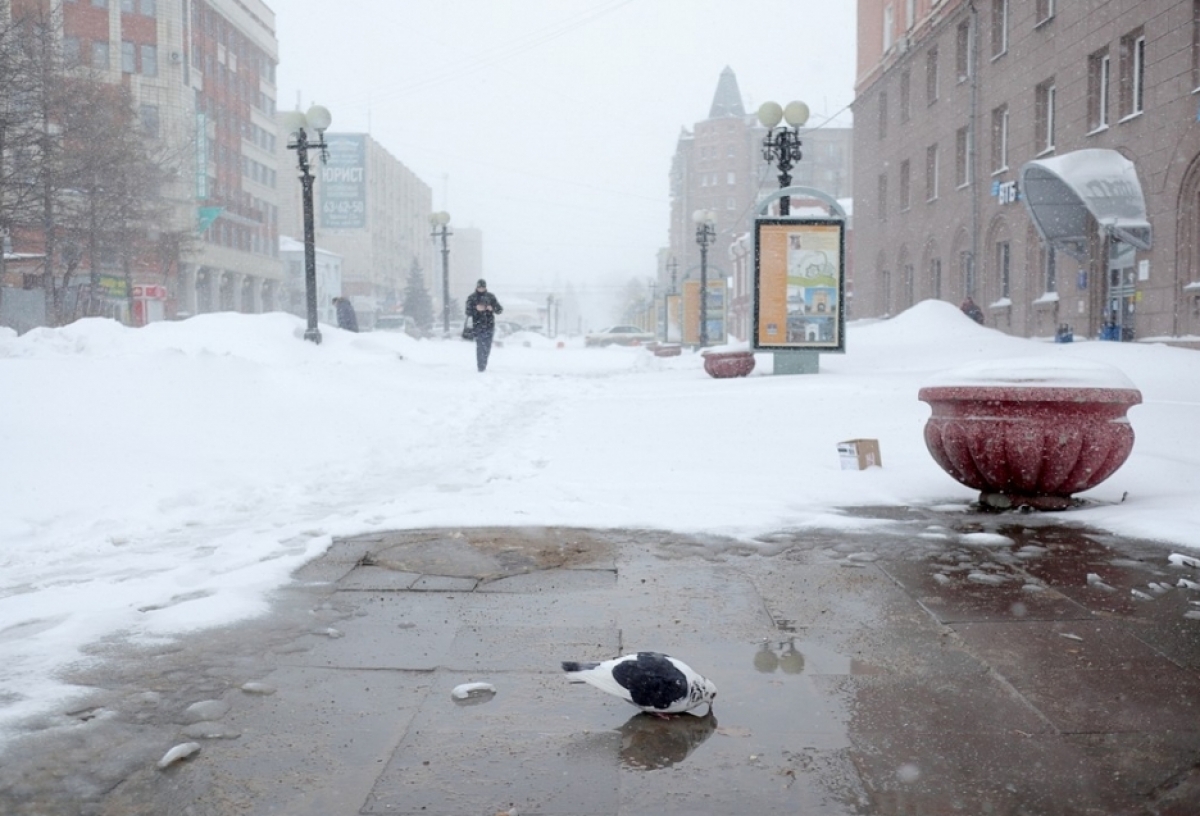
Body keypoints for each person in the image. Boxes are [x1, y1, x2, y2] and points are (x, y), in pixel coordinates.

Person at [465, 279, 503, 372]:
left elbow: (500, 310)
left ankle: (484, 363)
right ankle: (480, 367)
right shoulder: (472, 298)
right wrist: (476, 308)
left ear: (485, 287)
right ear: (477, 287)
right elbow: (468, 312)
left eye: (483, 287)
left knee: (487, 346)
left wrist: (492, 308)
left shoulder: (490, 297)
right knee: (480, 346)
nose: (481, 289)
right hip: (477, 326)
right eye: (479, 287)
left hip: (489, 325)